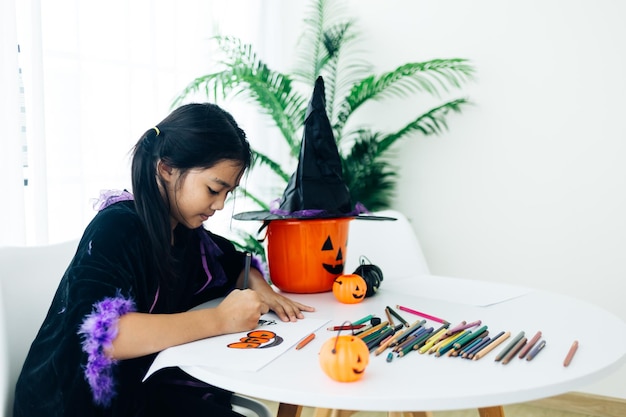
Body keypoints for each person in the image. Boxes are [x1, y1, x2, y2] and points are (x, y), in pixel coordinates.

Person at [13, 103, 315, 417]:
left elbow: (228, 260)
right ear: (166, 169)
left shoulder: (184, 230)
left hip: (140, 391)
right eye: (214, 189)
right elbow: (104, 335)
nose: (221, 205)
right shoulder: (117, 228)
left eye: (228, 193)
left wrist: (256, 282)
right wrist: (220, 320)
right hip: (76, 403)